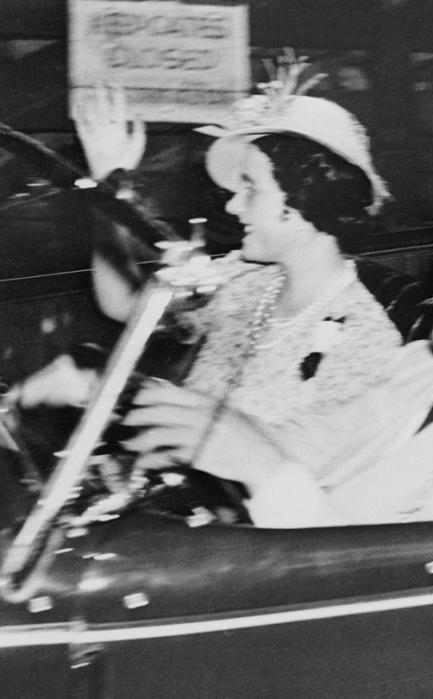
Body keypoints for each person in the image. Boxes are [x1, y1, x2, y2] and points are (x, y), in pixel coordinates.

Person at [121, 164, 433, 527]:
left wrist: (262, 469)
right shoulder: (426, 365)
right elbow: (309, 441)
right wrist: (197, 428)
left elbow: (395, 596)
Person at [57, 56, 409, 427]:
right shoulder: (241, 279)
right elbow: (125, 306)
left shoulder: (365, 342)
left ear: (306, 206)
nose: (232, 204)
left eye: (251, 189)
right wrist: (108, 189)